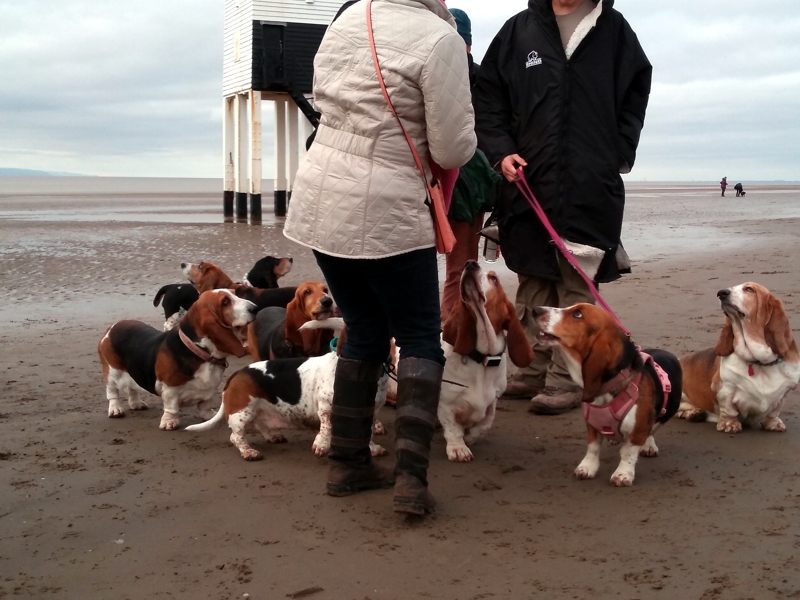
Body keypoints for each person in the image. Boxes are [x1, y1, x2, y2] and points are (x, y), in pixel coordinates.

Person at [283, 0, 476, 515]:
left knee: (364, 329)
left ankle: (347, 464)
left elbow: (324, 94)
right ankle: (410, 481)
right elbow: (454, 149)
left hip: (321, 197)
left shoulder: (350, 17)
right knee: (417, 336)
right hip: (387, 203)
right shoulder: (442, 39)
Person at [474, 0, 652, 415]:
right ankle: (533, 369)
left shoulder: (615, 30)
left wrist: (619, 153)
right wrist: (501, 152)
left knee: (577, 282)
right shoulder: (518, 31)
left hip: (591, 184)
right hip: (528, 179)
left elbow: (636, 93)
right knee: (534, 281)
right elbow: (488, 99)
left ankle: (566, 379)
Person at [440, 8, 502, 323]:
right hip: (447, 183)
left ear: (467, 44)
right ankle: (451, 329)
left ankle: (452, 328)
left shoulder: (478, 80)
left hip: (465, 187)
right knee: (461, 266)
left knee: (462, 266)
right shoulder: (472, 78)